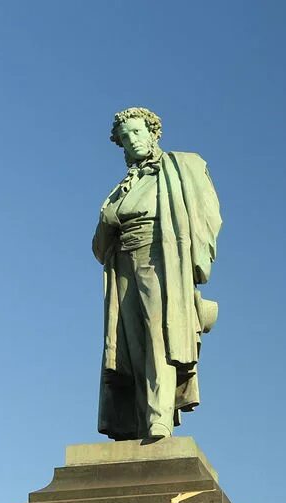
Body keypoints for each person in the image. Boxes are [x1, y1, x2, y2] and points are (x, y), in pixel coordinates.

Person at [93, 107, 222, 442]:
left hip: (161, 256)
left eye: (137, 133)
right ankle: (138, 419)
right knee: (129, 345)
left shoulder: (183, 167)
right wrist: (107, 224)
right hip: (122, 260)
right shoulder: (120, 189)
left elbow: (209, 216)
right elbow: (97, 249)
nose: (132, 141)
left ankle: (159, 419)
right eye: (124, 138)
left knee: (160, 339)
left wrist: (195, 263)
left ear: (153, 133)